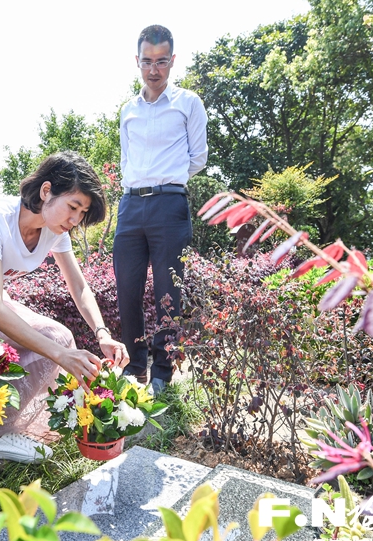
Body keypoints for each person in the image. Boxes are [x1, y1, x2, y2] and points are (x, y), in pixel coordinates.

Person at [0, 151, 129, 463]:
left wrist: (102, 333)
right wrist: (59, 354)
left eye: (82, 213)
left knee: (56, 336)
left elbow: (78, 285)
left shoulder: (55, 231)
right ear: (46, 191)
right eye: (72, 207)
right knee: (56, 344)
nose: (75, 220)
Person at [114, 24, 208, 395]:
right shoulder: (128, 111)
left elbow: (197, 157)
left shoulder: (188, 103)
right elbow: (126, 158)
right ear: (137, 61)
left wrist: (167, 181)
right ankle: (134, 367)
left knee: (169, 292)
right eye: (148, 62)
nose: (154, 70)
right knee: (127, 289)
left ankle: (161, 374)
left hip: (169, 205)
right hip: (130, 206)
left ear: (172, 61)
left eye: (162, 61)